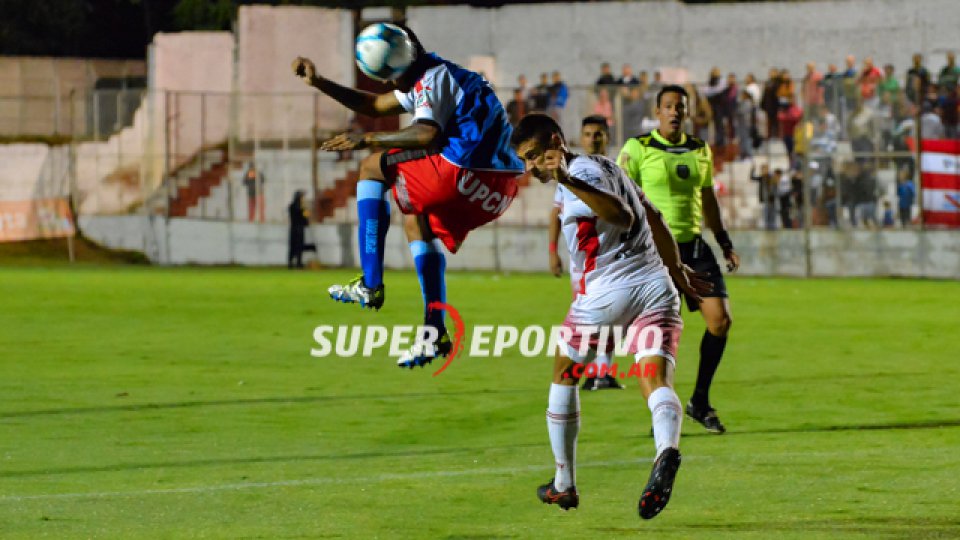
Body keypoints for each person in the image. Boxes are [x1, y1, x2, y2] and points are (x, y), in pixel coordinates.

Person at [512, 113, 709, 519]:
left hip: (605, 293)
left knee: (564, 370)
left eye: (533, 156)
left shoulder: (580, 172)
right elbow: (654, 218)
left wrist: (566, 179)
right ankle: (667, 450)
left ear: (555, 142)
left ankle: (564, 483)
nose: (529, 167)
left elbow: (625, 216)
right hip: (656, 286)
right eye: (524, 160)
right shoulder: (607, 166)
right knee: (655, 379)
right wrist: (677, 271)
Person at [292, 25, 523, 367]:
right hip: (497, 189)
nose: (388, 85)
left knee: (371, 167)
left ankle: (370, 283)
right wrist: (320, 82)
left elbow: (426, 132)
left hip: (459, 172)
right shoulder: (439, 74)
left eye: (388, 78)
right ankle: (434, 332)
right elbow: (373, 105)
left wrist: (368, 140)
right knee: (415, 219)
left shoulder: (431, 79)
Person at [618, 85, 741, 434]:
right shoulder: (637, 149)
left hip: (695, 248)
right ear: (657, 111)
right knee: (655, 335)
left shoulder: (699, 150)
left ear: (686, 113)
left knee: (720, 321)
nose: (674, 112)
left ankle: (699, 401)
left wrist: (724, 241)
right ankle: (661, 413)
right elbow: (621, 197)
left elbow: (708, 199)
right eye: (668, 106)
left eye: (680, 108)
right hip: (654, 253)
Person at [548, 115, 623, 392]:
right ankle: (593, 372)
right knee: (591, 317)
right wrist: (553, 252)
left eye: (599, 133)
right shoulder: (570, 173)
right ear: (581, 138)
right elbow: (556, 214)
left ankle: (602, 372)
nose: (593, 138)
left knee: (610, 317)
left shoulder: (616, 170)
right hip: (584, 261)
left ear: (607, 137)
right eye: (589, 133)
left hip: (613, 258)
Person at [288, 190, 310, 269]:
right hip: (298, 228)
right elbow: (305, 219)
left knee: (294, 246)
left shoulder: (291, 206)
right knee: (297, 246)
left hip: (294, 228)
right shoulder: (300, 208)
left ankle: (293, 263)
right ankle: (297, 263)